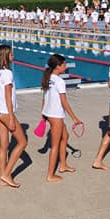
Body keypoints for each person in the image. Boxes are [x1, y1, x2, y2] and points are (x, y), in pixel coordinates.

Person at [40, 54, 82, 182]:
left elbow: (44, 97)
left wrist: (43, 114)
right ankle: (50, 175)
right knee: (55, 146)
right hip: (56, 116)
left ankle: (62, 165)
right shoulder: (59, 81)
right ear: (58, 67)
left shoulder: (48, 77)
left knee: (65, 137)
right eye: (64, 64)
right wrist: (74, 118)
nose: (65, 66)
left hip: (49, 113)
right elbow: (64, 102)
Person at [0, 44, 27, 188]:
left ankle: (2, 178)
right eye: (11, 54)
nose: (13, 56)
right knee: (23, 142)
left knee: (4, 145)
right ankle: (6, 174)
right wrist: (12, 117)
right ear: (5, 56)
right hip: (6, 112)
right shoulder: (7, 74)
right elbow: (8, 96)